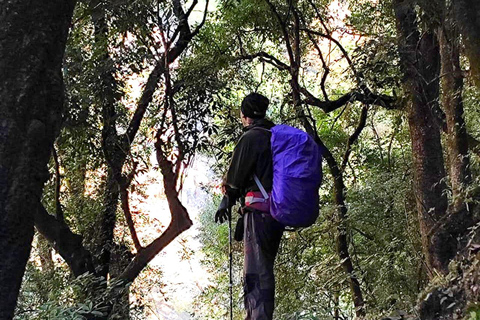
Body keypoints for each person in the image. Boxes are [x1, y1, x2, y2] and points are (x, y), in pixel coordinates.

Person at [215, 93, 285, 320]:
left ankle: (257, 317)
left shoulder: (252, 138)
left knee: (256, 271)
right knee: (264, 265)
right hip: (276, 213)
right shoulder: (276, 136)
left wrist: (226, 201)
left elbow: (235, 179)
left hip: (258, 213)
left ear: (245, 116)